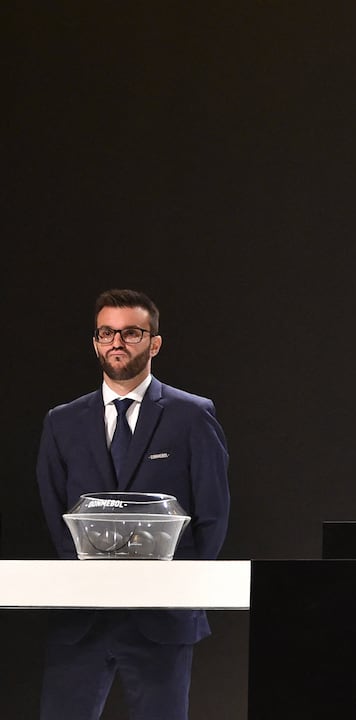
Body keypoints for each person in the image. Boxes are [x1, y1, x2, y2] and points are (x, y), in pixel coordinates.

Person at [36, 289, 230, 720]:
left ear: (154, 342)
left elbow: (212, 515)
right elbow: (54, 511)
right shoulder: (62, 421)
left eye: (131, 333)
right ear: (95, 342)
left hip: (162, 617)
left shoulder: (192, 416)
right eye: (107, 333)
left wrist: (179, 589)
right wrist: (86, 583)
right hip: (82, 616)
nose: (117, 342)